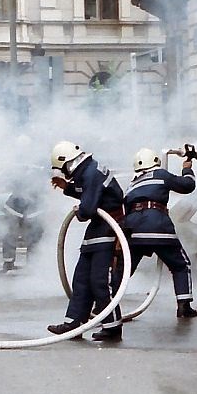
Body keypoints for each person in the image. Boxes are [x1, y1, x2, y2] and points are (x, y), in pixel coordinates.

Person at [47, 141, 127, 340]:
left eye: (63, 169)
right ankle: (74, 322)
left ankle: (112, 326)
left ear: (67, 162)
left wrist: (81, 211)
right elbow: (90, 195)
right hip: (99, 227)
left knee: (100, 280)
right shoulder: (88, 171)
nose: (65, 173)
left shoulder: (91, 173)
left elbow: (88, 208)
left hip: (109, 227)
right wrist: (68, 189)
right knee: (81, 277)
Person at [114, 148, 197, 319]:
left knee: (123, 271)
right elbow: (188, 185)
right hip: (158, 227)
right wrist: (187, 168)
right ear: (154, 161)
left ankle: (105, 305)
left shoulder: (132, 184)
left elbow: (126, 210)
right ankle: (184, 306)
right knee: (180, 265)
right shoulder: (160, 174)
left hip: (134, 230)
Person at [0, 165, 46, 272]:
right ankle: (9, 263)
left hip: (33, 216)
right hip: (17, 214)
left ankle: (32, 265)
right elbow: (8, 207)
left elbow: (41, 207)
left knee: (34, 238)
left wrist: (30, 217)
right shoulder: (17, 193)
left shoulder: (37, 192)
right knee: (10, 237)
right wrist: (17, 217)